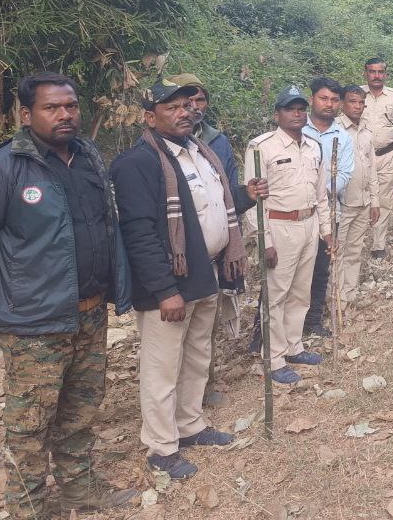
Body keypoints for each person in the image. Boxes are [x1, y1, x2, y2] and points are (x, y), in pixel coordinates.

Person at [0, 72, 138, 519]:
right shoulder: (1, 170)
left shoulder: (88, 157)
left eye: (70, 105)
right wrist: (19, 287)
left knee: (81, 410)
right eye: (52, 108)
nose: (64, 114)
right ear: (27, 115)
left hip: (89, 314)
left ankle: (80, 494)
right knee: (30, 424)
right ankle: (27, 506)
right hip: (33, 324)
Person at [110, 78, 265, 480]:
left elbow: (216, 206)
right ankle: (162, 447)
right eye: (172, 107)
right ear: (149, 116)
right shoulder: (138, 164)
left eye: (187, 105)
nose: (185, 112)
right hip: (169, 283)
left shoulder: (201, 152)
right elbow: (139, 233)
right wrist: (165, 290)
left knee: (197, 355)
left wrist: (245, 193)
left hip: (206, 272)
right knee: (163, 365)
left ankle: (190, 424)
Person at [243, 86, 333, 384]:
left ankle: (294, 346)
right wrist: (264, 240)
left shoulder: (312, 146)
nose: (297, 113)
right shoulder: (262, 147)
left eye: (300, 108)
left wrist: (326, 230)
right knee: (276, 294)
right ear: (277, 114)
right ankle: (273, 356)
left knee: (300, 290)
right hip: (278, 226)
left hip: (307, 224)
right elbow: (252, 200)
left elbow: (321, 193)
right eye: (289, 108)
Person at [164, 73, 239, 407]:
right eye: (183, 102)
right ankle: (175, 407)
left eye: (198, 101)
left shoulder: (215, 141)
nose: (192, 108)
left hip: (213, 250)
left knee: (205, 331)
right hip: (178, 259)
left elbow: (228, 195)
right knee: (174, 339)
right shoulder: (155, 149)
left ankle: (201, 391)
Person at [302, 78, 354, 337]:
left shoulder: (342, 137)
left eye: (334, 100)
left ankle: (312, 321)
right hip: (296, 211)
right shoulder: (297, 130)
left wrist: (321, 189)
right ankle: (265, 331)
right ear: (313, 99)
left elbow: (344, 176)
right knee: (288, 271)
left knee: (321, 267)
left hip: (328, 210)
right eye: (324, 98)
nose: (329, 104)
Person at [333, 85, 380, 313]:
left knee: (354, 251)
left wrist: (375, 200)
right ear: (343, 103)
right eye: (353, 102)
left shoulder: (366, 130)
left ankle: (349, 295)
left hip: (363, 201)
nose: (357, 106)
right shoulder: (336, 131)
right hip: (343, 203)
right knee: (338, 253)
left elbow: (371, 168)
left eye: (361, 103)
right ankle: (336, 299)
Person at [361, 58, 393, 259]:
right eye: (372, 72)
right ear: (366, 73)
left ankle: (378, 245)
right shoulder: (356, 95)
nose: (376, 76)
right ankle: (357, 240)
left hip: (387, 155)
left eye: (380, 72)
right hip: (361, 157)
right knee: (361, 199)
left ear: (385, 74)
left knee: (385, 200)